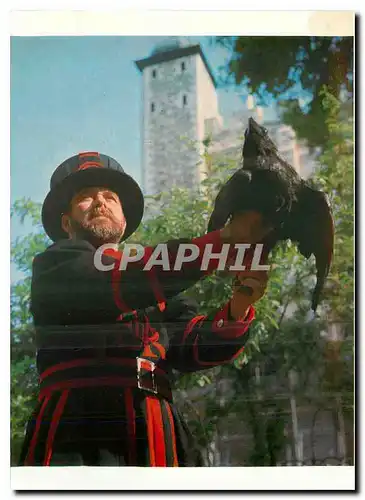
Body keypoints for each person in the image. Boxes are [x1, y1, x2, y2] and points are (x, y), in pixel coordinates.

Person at [19, 152, 271, 467]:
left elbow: (194, 346)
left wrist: (240, 303)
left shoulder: (151, 278)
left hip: (157, 429)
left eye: (110, 197)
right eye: (86, 197)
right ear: (67, 223)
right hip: (76, 425)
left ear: (124, 221)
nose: (100, 202)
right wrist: (224, 240)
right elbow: (114, 278)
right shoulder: (53, 265)